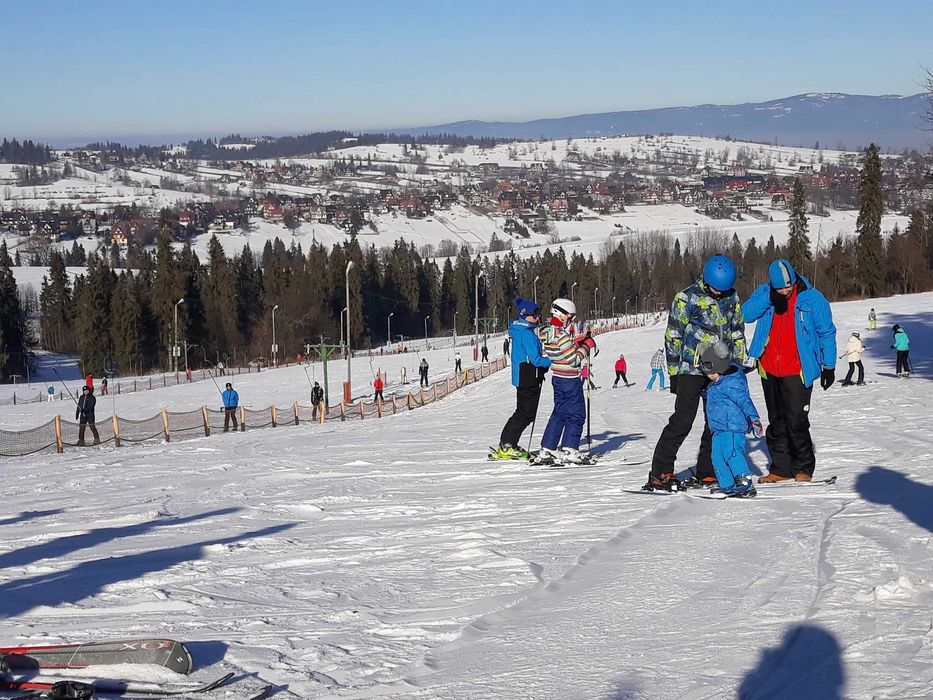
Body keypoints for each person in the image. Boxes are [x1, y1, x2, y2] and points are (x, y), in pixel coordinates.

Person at [646, 254, 746, 491]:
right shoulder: (686, 297)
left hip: (720, 370)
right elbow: (673, 335)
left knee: (715, 422)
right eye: (715, 289)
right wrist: (673, 373)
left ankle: (707, 471)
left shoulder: (732, 298)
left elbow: (737, 332)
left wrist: (738, 366)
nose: (719, 293)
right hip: (690, 369)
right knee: (682, 421)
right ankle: (661, 472)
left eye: (723, 289)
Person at [743, 259, 836, 483]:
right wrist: (769, 298)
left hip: (797, 369)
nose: (785, 292)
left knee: (796, 420)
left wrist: (829, 365)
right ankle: (781, 468)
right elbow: (745, 314)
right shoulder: (766, 293)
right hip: (768, 368)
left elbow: (827, 332)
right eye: (780, 288)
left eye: (788, 286)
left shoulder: (812, 299)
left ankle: (803, 466)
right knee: (776, 421)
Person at [698, 341, 763, 497]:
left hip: (733, 427)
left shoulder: (733, 382)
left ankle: (745, 482)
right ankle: (727, 485)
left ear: (720, 367)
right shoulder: (716, 384)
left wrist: (753, 418)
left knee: (732, 453)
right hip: (718, 429)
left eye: (711, 372)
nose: (709, 376)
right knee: (717, 458)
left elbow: (745, 401)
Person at [539, 298, 596, 464]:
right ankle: (570, 448)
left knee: (560, 412)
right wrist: (586, 346)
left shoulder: (547, 331)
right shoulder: (561, 335)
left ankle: (548, 448)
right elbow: (574, 360)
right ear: (562, 315)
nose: (571, 321)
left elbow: (561, 348)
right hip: (570, 380)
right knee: (577, 414)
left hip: (557, 377)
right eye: (570, 317)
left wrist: (577, 342)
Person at [494, 297, 551, 459]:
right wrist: (551, 361)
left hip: (525, 376)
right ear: (525, 315)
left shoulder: (522, 331)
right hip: (528, 377)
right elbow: (536, 359)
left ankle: (508, 443)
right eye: (535, 315)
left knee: (524, 413)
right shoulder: (526, 334)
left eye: (539, 314)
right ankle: (507, 445)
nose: (538, 318)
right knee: (524, 414)